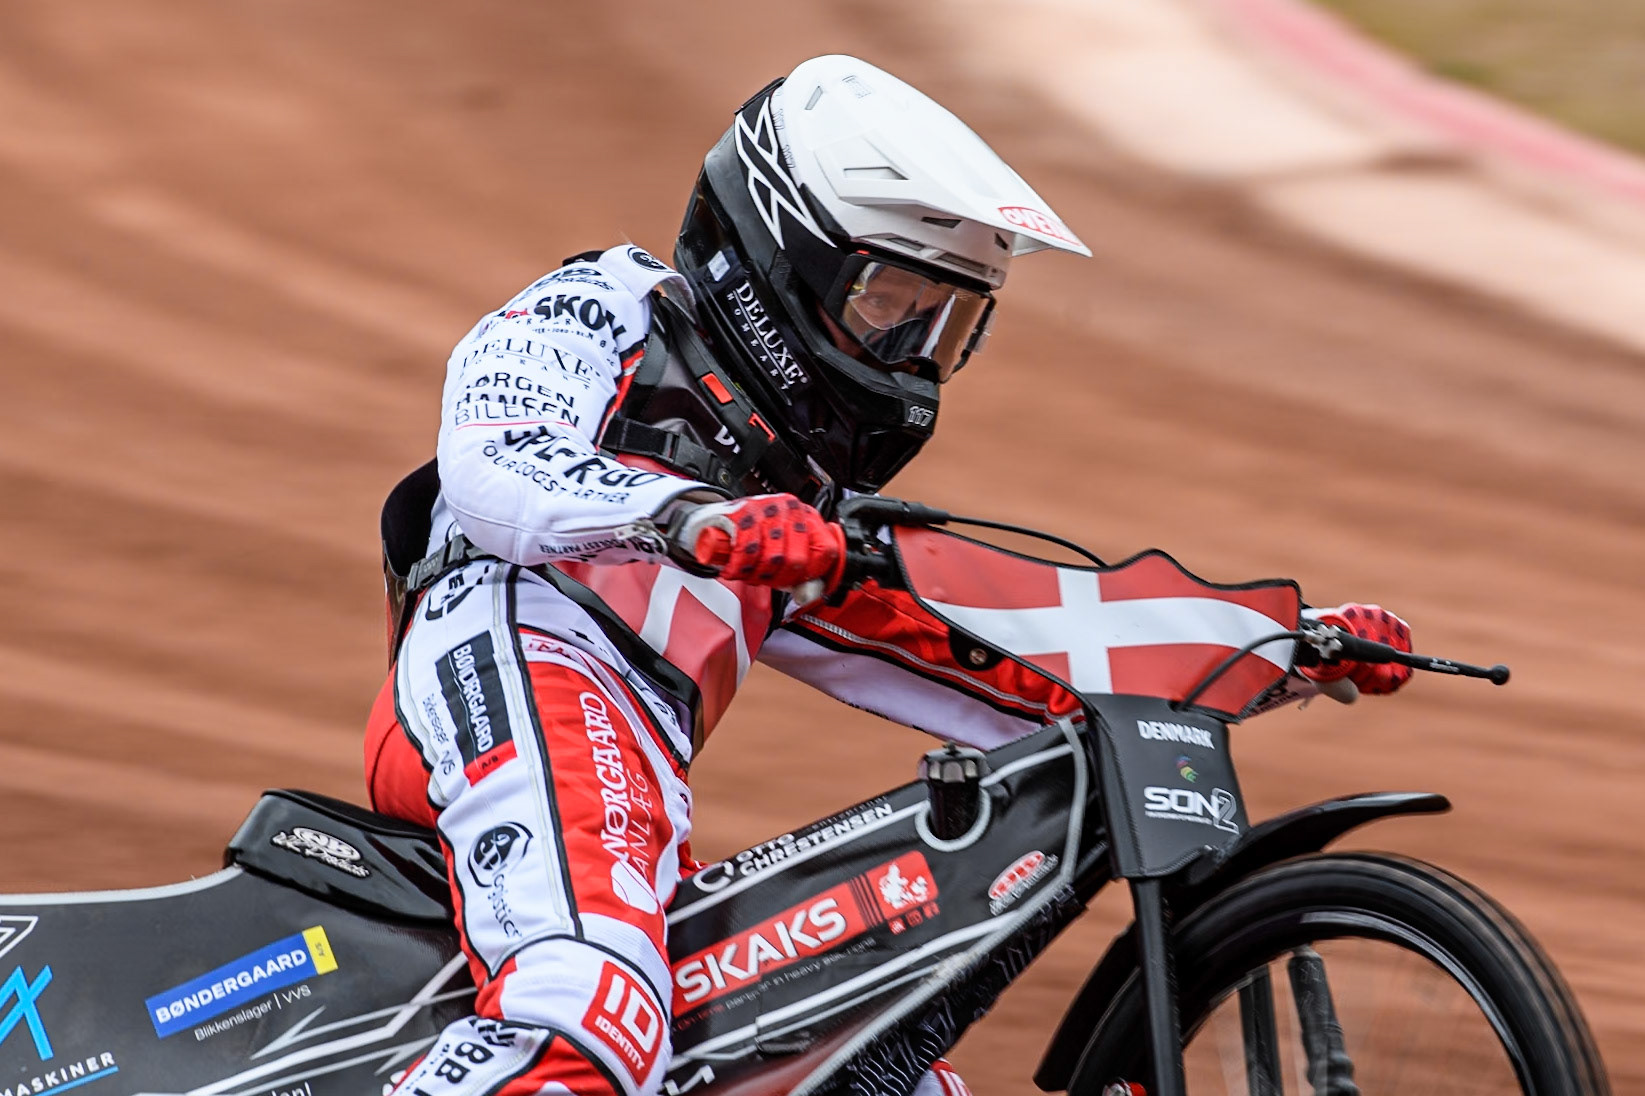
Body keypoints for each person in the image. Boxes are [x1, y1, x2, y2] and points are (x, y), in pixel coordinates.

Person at [363, 54, 1413, 1096]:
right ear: (779, 252)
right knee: (584, 1012)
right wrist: (689, 518)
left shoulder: (798, 509)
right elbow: (493, 460)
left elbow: (1005, 646)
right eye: (891, 304)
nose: (912, 357)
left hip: (630, 765)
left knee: (871, 1075)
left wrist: (1272, 646)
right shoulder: (607, 307)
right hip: (506, 649)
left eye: (947, 327)